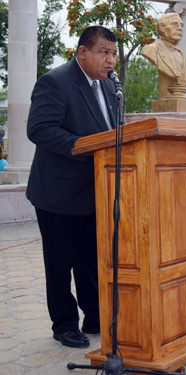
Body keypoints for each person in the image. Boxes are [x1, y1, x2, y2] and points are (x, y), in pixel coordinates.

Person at [26, 26, 118, 348]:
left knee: (90, 260)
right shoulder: (55, 82)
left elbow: (114, 131)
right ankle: (64, 324)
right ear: (83, 52)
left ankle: (94, 317)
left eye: (114, 54)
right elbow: (39, 129)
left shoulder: (110, 87)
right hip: (57, 193)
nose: (111, 61)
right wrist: (85, 148)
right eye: (104, 52)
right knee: (60, 262)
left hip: (96, 191)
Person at [141, 12, 186, 99]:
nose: (180, 28)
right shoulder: (150, 50)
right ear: (162, 27)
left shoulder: (181, 54)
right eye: (175, 24)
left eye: (181, 25)